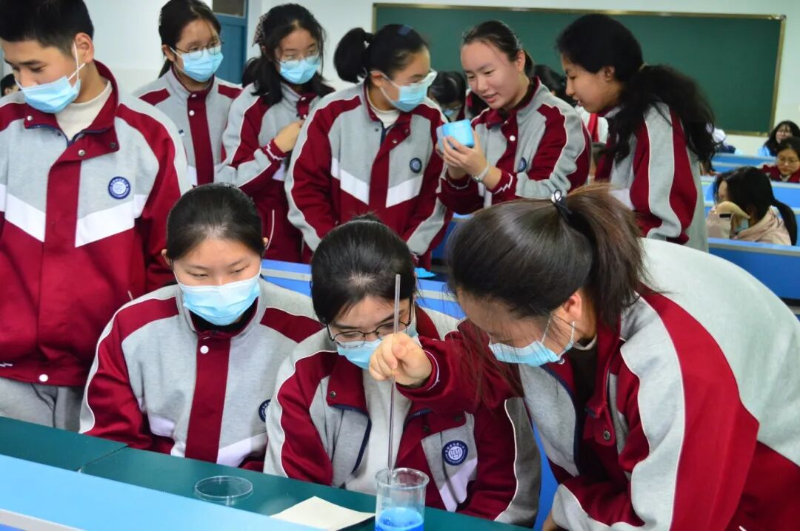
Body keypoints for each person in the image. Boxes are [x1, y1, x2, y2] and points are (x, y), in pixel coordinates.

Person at [369, 185, 800, 530]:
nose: (491, 344)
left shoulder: (677, 361)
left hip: (762, 500)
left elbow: (673, 520)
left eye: (497, 334)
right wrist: (427, 369)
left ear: (568, 306)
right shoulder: (553, 284)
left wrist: (574, 509)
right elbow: (480, 355)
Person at [265, 215, 539, 525]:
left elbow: (509, 495)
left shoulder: (472, 356)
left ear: (412, 297)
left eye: (390, 325)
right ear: (324, 320)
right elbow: (294, 497)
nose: (374, 344)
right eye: (350, 333)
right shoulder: (304, 371)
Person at [0, 0, 189, 431]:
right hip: (8, 372)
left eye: (35, 67)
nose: (24, 83)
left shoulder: (150, 137)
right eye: (14, 68)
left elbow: (169, 265)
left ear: (82, 47)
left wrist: (139, 353)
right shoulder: (4, 130)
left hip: (106, 372)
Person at [80, 184, 320, 468]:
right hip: (155, 485)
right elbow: (109, 446)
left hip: (264, 490)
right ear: (170, 261)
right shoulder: (132, 329)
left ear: (263, 249)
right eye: (199, 274)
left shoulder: (307, 330)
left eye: (237, 270)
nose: (220, 287)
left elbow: (311, 453)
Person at [285, 24, 449, 268]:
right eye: (415, 80)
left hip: (403, 266)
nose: (423, 87)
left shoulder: (433, 120)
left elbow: (436, 198)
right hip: (333, 264)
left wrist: (404, 257)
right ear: (379, 78)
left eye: (427, 77)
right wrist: (334, 251)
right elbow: (304, 189)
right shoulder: (331, 113)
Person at [559, 14, 715, 251]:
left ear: (607, 72)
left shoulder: (657, 122)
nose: (569, 90)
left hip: (662, 267)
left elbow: (661, 230)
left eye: (572, 76)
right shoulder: (624, 118)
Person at [218, 4, 333, 263]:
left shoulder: (329, 103)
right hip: (270, 247)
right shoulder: (251, 105)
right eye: (291, 55)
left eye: (311, 52)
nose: (303, 61)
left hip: (323, 245)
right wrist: (275, 150)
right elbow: (229, 183)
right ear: (268, 52)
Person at [440, 21, 590, 214]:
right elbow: (465, 208)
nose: (480, 86)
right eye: (471, 76)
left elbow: (550, 203)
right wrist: (457, 170)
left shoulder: (560, 121)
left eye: (488, 72)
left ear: (519, 61)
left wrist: (484, 171)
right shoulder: (479, 126)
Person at [135, 0, 241, 187]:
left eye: (213, 44)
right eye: (194, 49)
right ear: (169, 52)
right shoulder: (143, 106)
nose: (206, 54)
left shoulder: (238, 99)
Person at [706, 167, 796, 245]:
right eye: (719, 198)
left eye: (724, 202)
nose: (717, 208)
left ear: (750, 211)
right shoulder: (722, 214)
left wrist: (720, 218)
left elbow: (714, 254)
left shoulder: (772, 244)